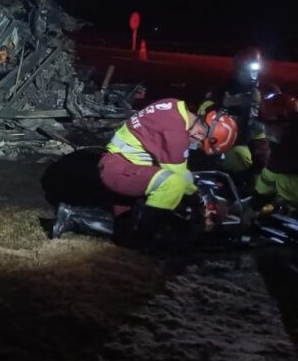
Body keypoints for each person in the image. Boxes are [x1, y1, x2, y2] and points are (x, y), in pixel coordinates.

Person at [53, 98, 238, 248]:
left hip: (124, 166)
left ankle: (70, 216)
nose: (194, 147)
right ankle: (142, 240)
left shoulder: (174, 106)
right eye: (198, 145)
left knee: (125, 226)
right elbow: (180, 177)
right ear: (199, 134)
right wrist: (203, 202)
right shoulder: (175, 133)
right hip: (119, 170)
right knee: (173, 185)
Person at [200, 47, 269, 180]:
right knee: (237, 156)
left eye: (254, 71)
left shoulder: (265, 88)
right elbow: (204, 108)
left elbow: (280, 110)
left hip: (256, 133)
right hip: (230, 133)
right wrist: (226, 103)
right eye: (245, 71)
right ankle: (232, 180)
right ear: (237, 69)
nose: (250, 75)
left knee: (264, 160)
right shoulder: (223, 86)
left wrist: (261, 103)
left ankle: (259, 182)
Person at [252, 91, 298, 208]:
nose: (266, 131)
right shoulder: (291, 134)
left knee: (284, 181)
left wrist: (254, 206)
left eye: (267, 125)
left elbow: (268, 179)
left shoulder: (285, 147)